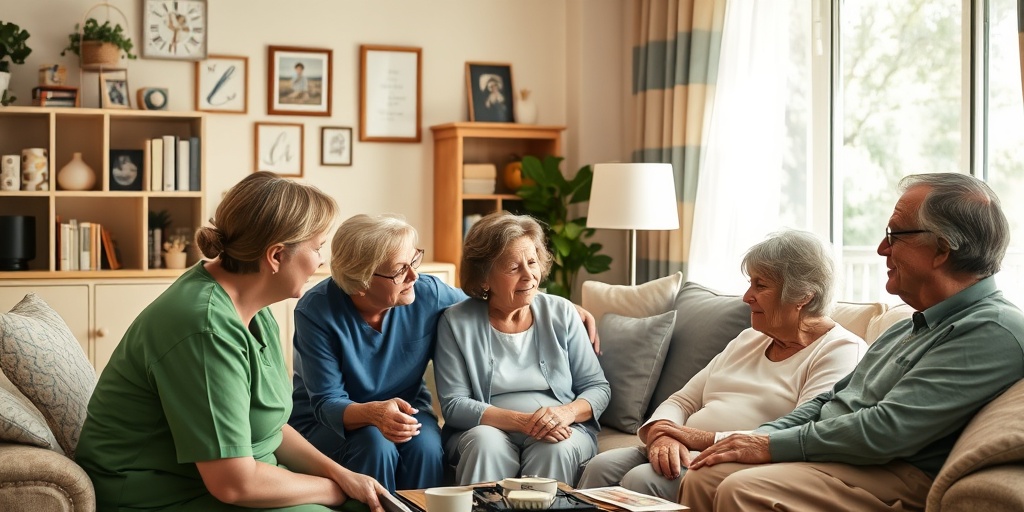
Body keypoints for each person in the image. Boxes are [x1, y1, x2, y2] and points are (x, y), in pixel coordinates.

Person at [680, 173, 1024, 511]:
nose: (881, 248)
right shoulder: (909, 327)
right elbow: (831, 399)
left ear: (941, 249)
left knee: (742, 489)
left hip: (895, 470)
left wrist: (770, 445)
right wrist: (758, 438)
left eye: (894, 235)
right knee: (703, 476)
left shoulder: (991, 329)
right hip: (849, 459)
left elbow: (887, 430)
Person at [76, 172, 387, 512]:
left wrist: (342, 476)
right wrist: (333, 491)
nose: (321, 260)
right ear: (276, 256)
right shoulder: (204, 328)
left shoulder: (253, 308)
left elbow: (270, 428)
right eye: (317, 247)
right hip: (161, 496)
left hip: (239, 480)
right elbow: (234, 484)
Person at [288, 214, 600, 492]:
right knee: (375, 445)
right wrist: (374, 413)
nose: (414, 276)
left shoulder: (425, 292)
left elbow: (488, 297)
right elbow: (327, 402)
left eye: (414, 261)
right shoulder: (316, 311)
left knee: (426, 447)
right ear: (362, 282)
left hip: (409, 412)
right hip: (332, 421)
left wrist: (560, 306)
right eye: (399, 270)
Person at [577, 230, 867, 499]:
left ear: (804, 295)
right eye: (750, 283)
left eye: (760, 285)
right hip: (684, 448)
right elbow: (682, 400)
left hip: (740, 463)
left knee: (642, 480)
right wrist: (663, 434)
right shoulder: (749, 339)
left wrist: (696, 438)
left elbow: (799, 434)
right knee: (601, 467)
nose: (747, 297)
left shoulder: (839, 350)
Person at [434, 211, 611, 486]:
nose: (529, 276)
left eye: (532, 262)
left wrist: (564, 414)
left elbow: (598, 387)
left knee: (556, 447)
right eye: (513, 268)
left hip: (558, 429)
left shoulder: (562, 312)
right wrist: (523, 422)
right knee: (485, 445)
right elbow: (454, 404)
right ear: (484, 278)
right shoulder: (455, 322)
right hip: (487, 429)